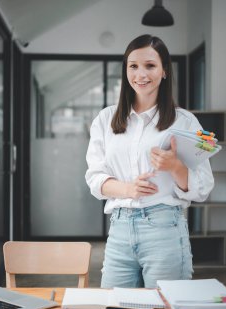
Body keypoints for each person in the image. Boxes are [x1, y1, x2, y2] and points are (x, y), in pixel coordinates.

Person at [85, 34, 214, 288]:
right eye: (133, 66)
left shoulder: (187, 122)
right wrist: (127, 189)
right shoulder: (105, 119)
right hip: (119, 230)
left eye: (150, 65)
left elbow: (204, 187)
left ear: (164, 70)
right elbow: (94, 178)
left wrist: (175, 167)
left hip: (165, 229)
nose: (140, 74)